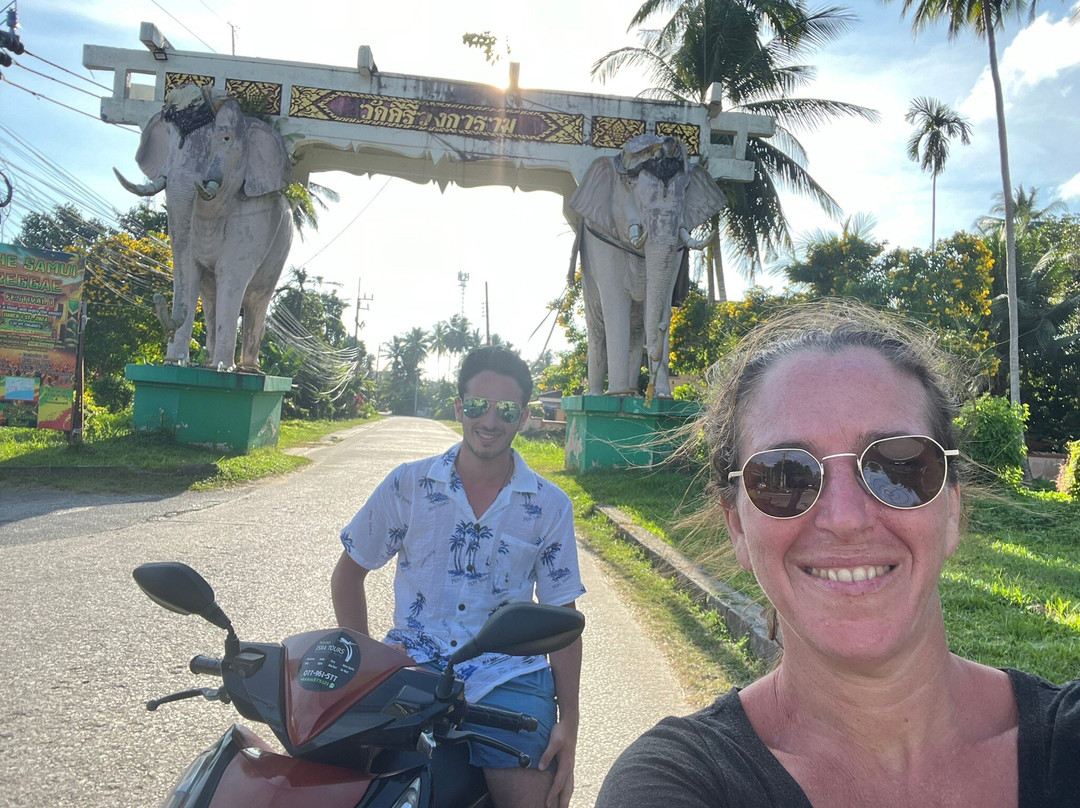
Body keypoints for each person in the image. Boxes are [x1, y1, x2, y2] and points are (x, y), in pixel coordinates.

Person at [596, 301, 1079, 808]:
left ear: (952, 508)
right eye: (785, 476)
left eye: (899, 466)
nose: (846, 519)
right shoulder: (676, 785)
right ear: (737, 525)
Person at [332, 346, 585, 808]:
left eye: (505, 409)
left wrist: (570, 722)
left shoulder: (550, 506)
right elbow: (349, 574)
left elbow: (562, 618)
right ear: (458, 408)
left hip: (511, 676)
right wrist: (366, 668)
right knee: (348, 784)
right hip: (413, 663)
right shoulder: (407, 485)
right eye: (477, 406)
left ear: (523, 416)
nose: (490, 420)